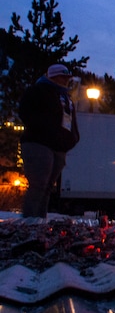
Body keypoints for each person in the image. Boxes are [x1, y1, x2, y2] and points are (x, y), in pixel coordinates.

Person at [18, 64, 80, 219]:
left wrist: (72, 139)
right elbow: (25, 112)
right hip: (38, 144)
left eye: (67, 77)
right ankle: (29, 221)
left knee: (47, 188)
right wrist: (45, 131)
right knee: (38, 184)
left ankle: (40, 221)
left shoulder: (66, 98)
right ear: (53, 77)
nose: (66, 80)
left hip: (58, 147)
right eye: (62, 77)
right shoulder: (38, 91)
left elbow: (70, 122)